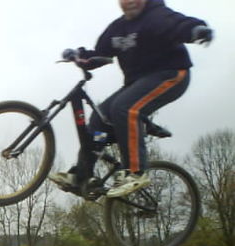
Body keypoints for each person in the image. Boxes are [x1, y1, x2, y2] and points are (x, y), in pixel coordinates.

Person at [49, 0, 213, 197]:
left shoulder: (156, 15)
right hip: (137, 83)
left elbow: (178, 24)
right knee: (99, 117)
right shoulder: (117, 28)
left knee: (125, 107)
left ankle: (136, 172)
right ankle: (81, 176)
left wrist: (196, 29)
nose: (130, 2)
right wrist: (78, 55)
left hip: (171, 74)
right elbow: (99, 55)